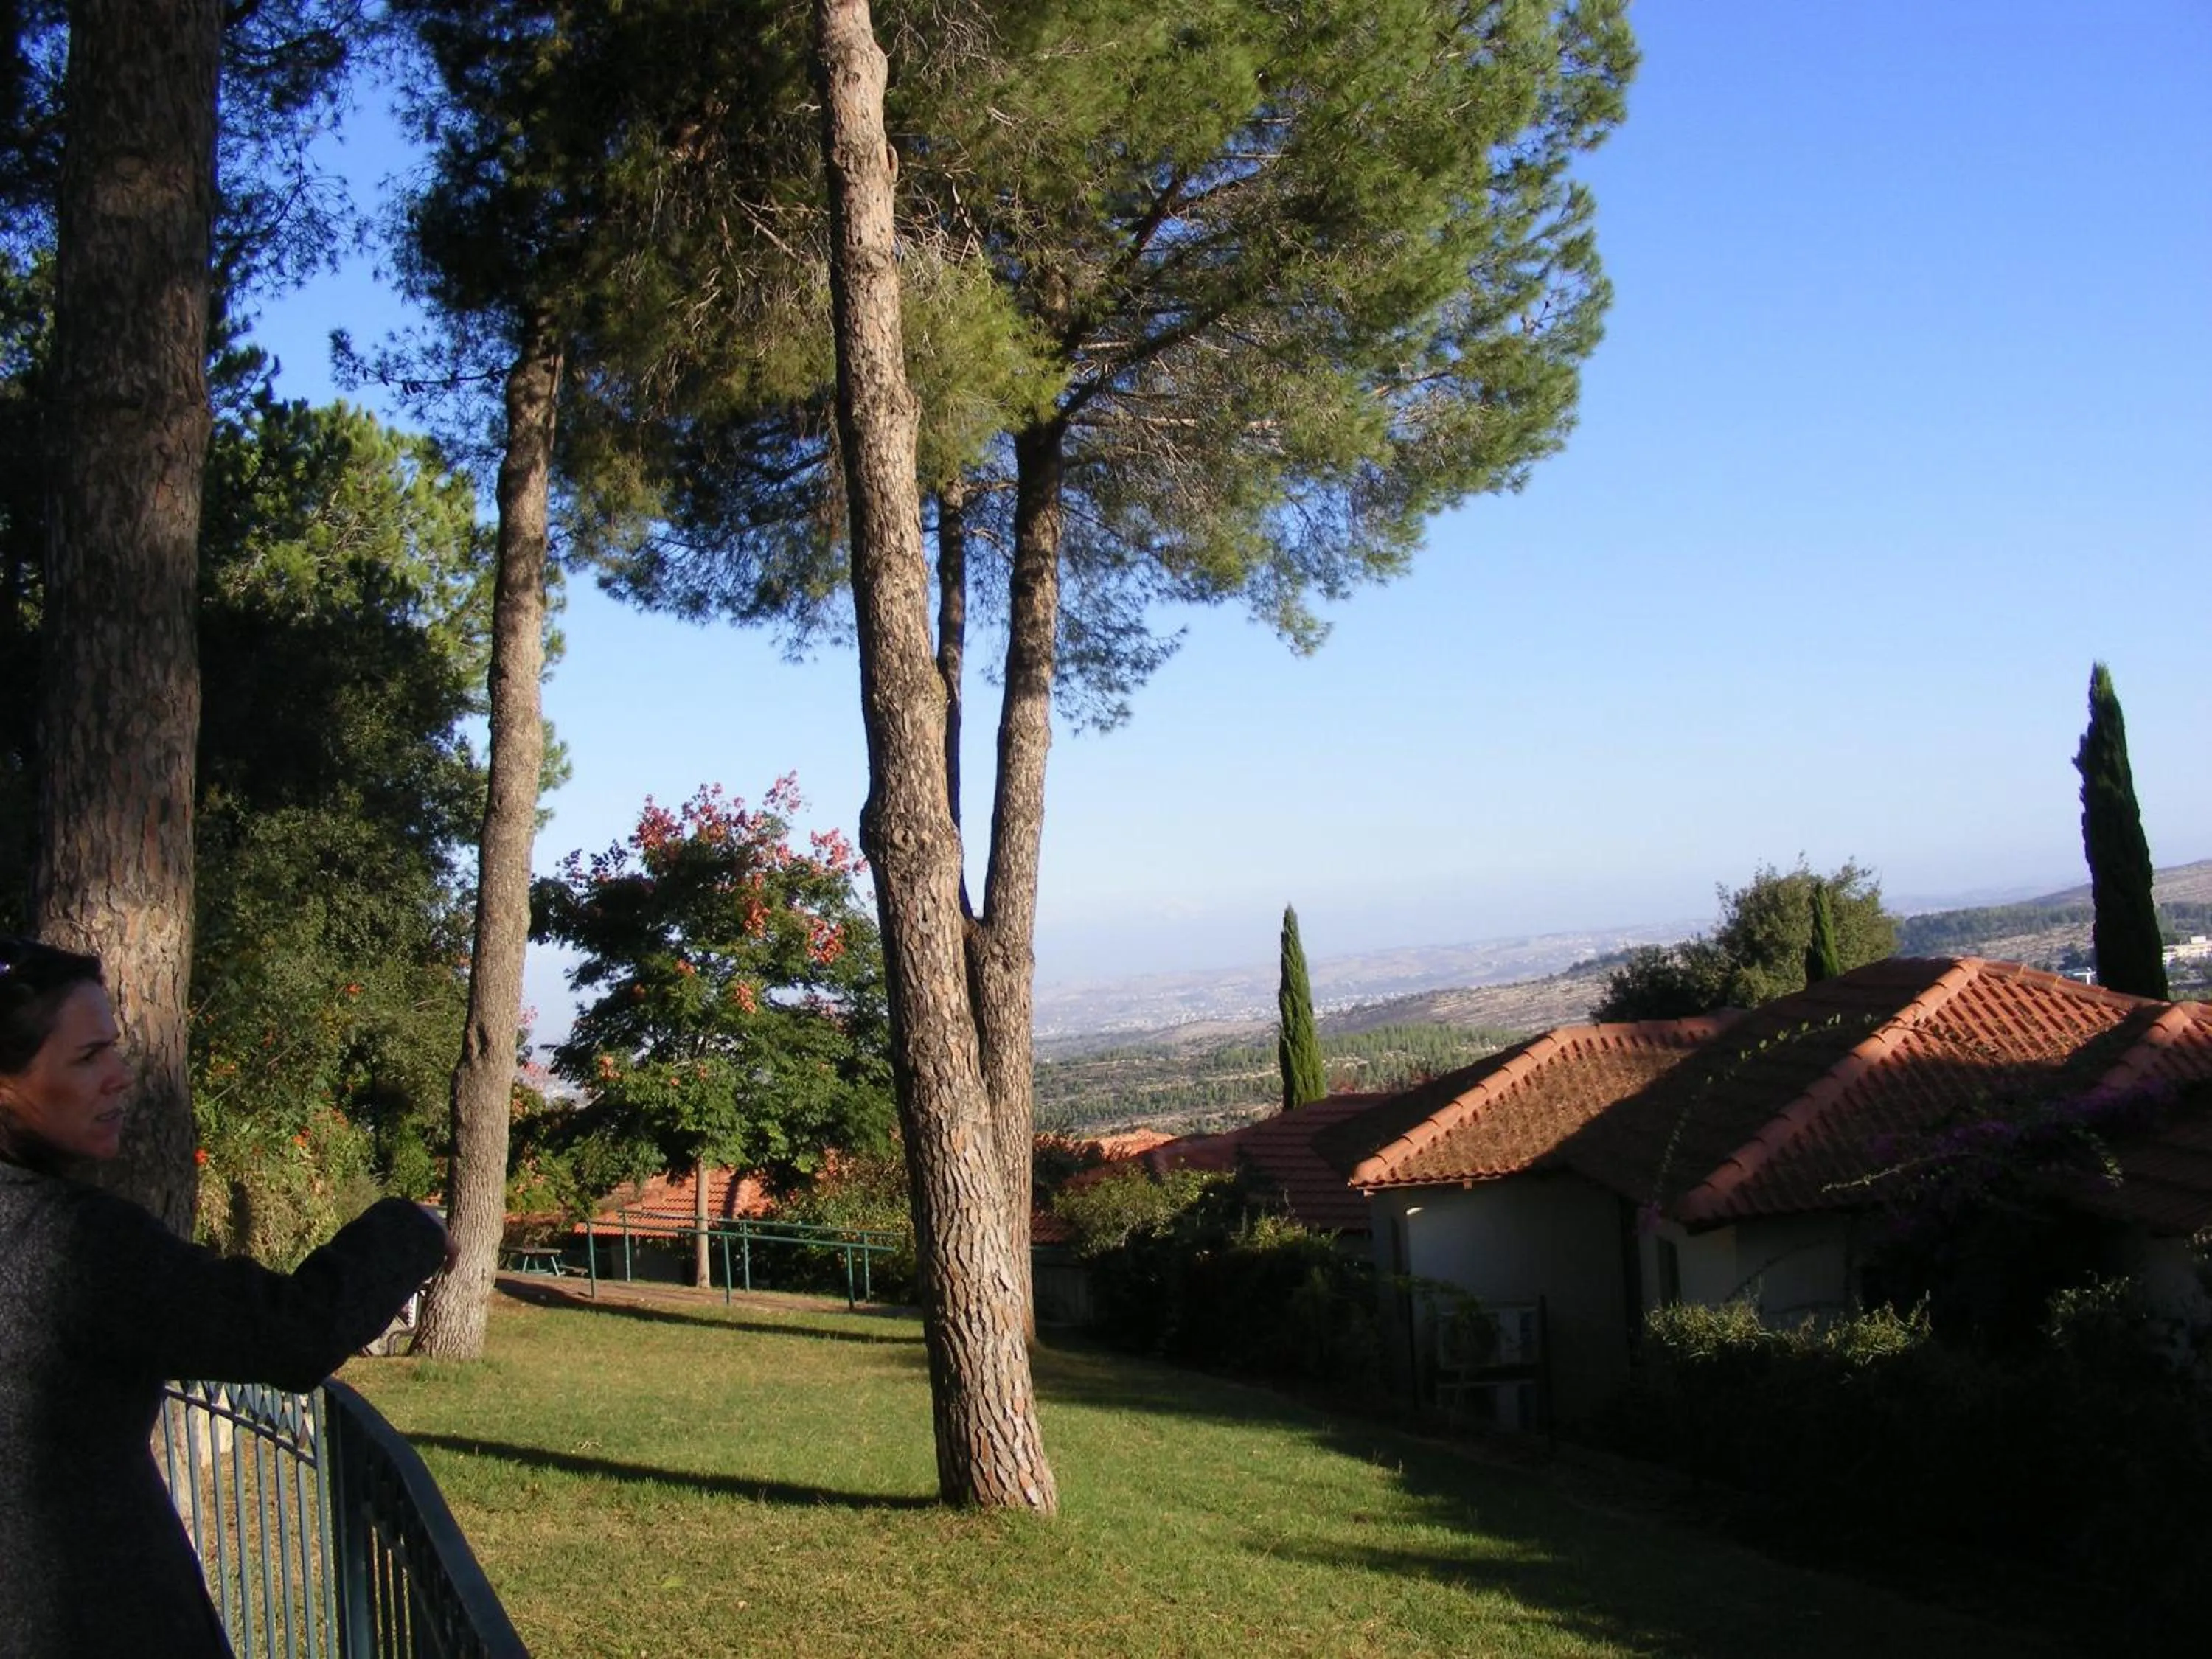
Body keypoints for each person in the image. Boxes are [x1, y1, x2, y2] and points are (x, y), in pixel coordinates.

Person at [0, 936, 450, 1658]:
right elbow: (293, 1332)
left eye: (114, 1049)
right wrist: (416, 1227)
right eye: (88, 1058)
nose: (121, 1077)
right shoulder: (68, 1243)